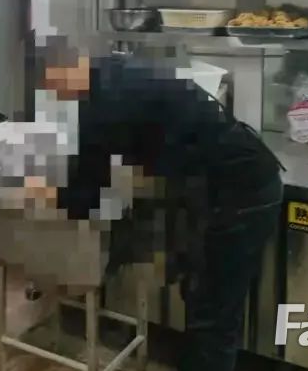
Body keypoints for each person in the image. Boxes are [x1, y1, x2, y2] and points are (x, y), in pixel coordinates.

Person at [36, 36, 283, 371]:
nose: (53, 94)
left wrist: (40, 192)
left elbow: (85, 198)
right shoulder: (110, 72)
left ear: (62, 71)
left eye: (50, 85)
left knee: (213, 317)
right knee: (203, 302)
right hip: (234, 180)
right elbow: (148, 134)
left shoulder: (103, 105)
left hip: (240, 195)